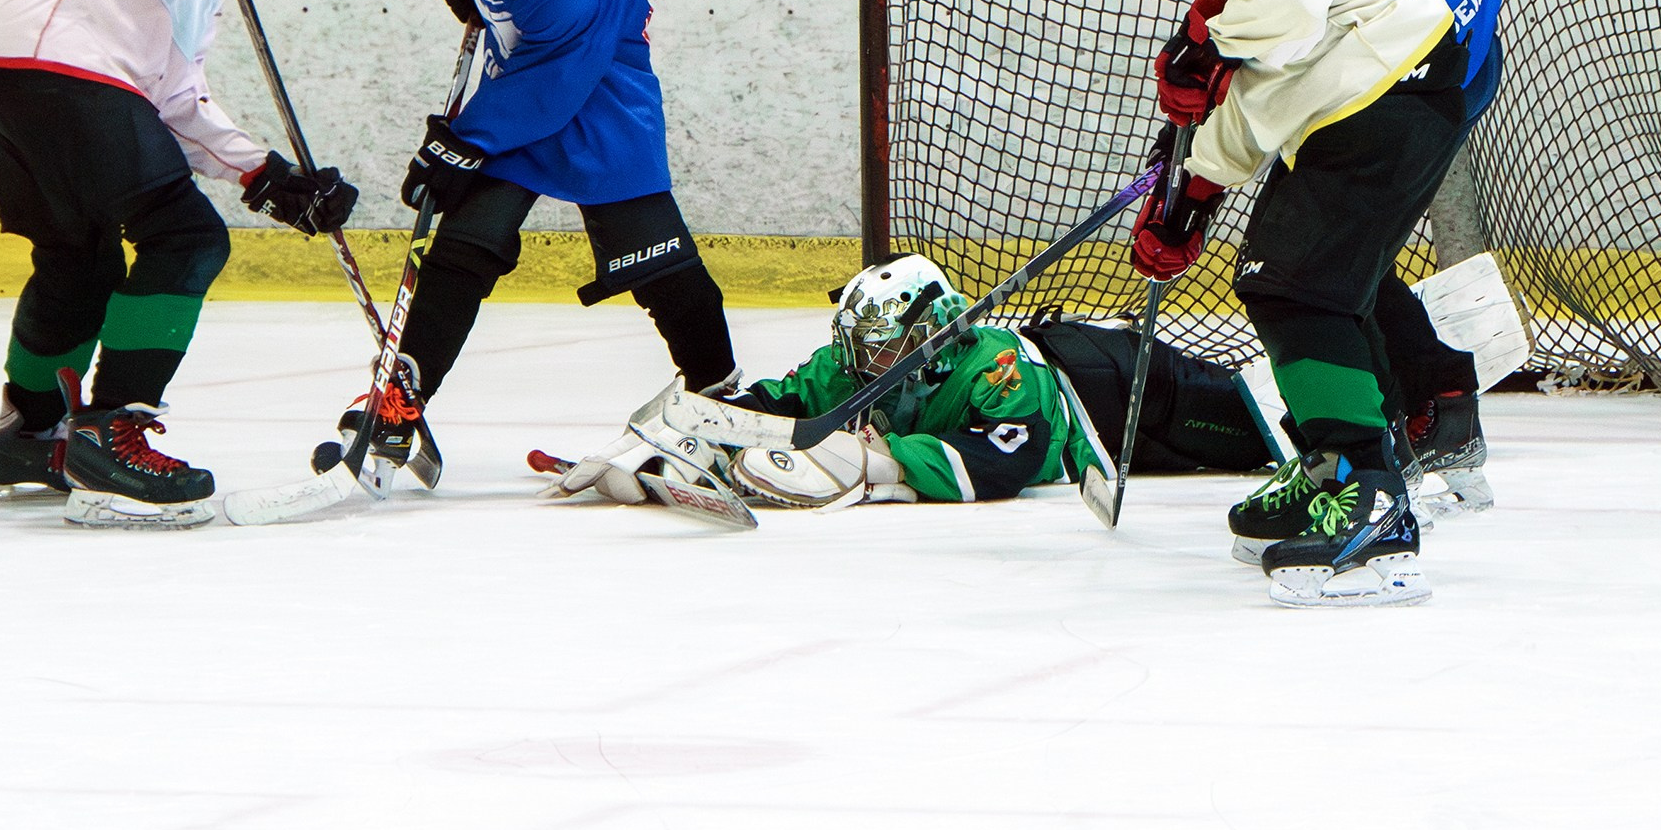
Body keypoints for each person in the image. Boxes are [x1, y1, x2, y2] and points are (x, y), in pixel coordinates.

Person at [0, 0, 354, 527]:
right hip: (65, 71)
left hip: (11, 79)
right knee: (185, 236)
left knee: (80, 259)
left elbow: (175, 96)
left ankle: (26, 432)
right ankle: (109, 435)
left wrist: (265, 173)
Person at [1130, 0, 1468, 607]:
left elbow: (1275, 22)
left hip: (1386, 95)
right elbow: (1270, 80)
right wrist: (1197, 186)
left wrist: (1209, 44)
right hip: (1374, 98)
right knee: (1297, 280)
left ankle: (1370, 497)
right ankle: (1341, 469)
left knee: (1296, 285)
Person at [361, 0, 738, 460]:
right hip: (519, 121)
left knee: (662, 270)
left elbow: (550, 85)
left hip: (600, 119)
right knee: (461, 251)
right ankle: (401, 398)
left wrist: (458, 143)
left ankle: (722, 400)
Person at [546, 254, 1281, 509]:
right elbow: (783, 400)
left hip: (1116, 390)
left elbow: (1012, 458)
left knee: (1261, 434)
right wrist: (687, 432)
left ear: (929, 334)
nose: (860, 358)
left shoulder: (996, 365)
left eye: (880, 343)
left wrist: (888, 464)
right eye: (858, 342)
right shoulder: (855, 362)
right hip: (1090, 388)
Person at [1279, 0, 1507, 521]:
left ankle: (1401, 431)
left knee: (1323, 256)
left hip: (1413, 65)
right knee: (1347, 248)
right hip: (1462, 41)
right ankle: (1430, 413)